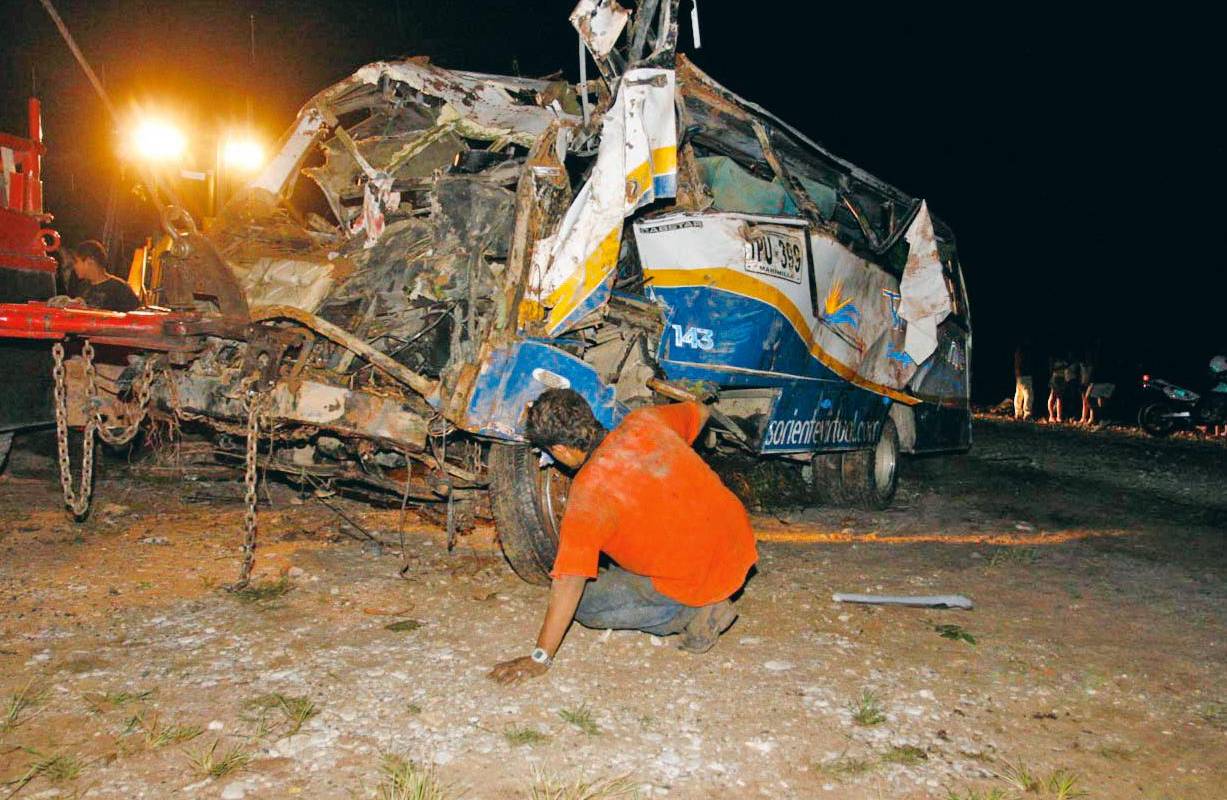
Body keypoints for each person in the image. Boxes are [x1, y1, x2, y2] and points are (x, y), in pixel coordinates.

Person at [489, 389, 757, 684]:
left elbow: (569, 584)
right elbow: (701, 411)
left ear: (561, 450)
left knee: (586, 605)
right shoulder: (646, 420)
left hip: (700, 575)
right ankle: (706, 588)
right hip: (737, 544)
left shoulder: (588, 492)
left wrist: (540, 658)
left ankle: (696, 612)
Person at [69, 240, 139, 312]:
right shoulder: (82, 287)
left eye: (76, 262)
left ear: (89, 261)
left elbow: (134, 318)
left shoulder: (120, 289)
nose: (74, 266)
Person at [1013, 343, 1035, 420]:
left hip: (1019, 374)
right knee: (1028, 393)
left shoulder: (1018, 351)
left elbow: (1016, 362)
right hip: (1025, 374)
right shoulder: (1024, 351)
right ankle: (1027, 413)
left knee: (1019, 394)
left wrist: (1016, 372)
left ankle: (1018, 412)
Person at [1047, 355, 1068, 423]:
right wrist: (1061, 367)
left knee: (1059, 398)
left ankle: (1059, 416)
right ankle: (1051, 416)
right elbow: (1051, 369)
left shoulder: (1064, 360)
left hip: (1062, 379)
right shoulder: (1053, 359)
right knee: (1053, 397)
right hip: (1056, 379)